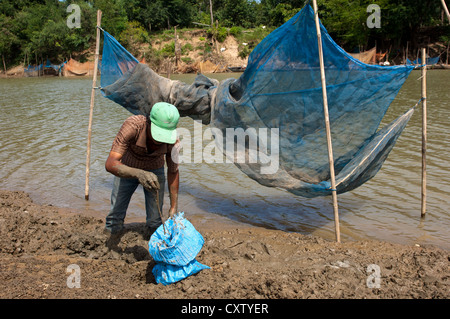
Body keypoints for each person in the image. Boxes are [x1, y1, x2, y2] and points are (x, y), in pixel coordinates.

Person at [104, 102, 180, 235]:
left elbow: (173, 171)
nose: (160, 141)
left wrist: (173, 207)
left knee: (155, 220)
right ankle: (110, 236)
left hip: (155, 169)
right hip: (127, 167)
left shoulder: (173, 141)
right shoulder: (133, 126)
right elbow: (110, 163)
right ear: (149, 122)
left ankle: (153, 242)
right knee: (115, 215)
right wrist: (138, 173)